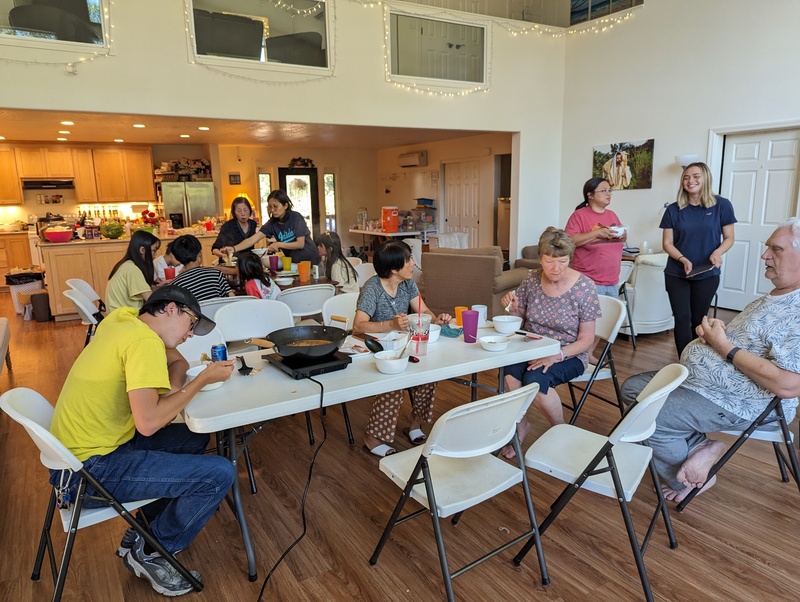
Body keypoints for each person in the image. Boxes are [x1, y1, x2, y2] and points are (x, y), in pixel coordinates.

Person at [48, 285, 236, 596]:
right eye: (192, 325)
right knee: (218, 474)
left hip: (77, 457)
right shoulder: (143, 342)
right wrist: (201, 381)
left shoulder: (121, 319)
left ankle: (143, 534)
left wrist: (172, 392)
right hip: (87, 473)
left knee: (192, 438)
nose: (191, 335)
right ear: (172, 309)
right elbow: (148, 423)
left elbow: (179, 364)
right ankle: (151, 552)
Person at [621, 219, 800, 503]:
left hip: (743, 402)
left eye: (775, 249)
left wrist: (724, 346)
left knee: (648, 413)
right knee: (633, 387)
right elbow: (755, 341)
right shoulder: (779, 295)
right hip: (713, 386)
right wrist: (722, 333)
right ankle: (702, 447)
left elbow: (789, 385)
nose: (764, 255)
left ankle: (687, 482)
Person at [500, 227, 601, 458]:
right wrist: (513, 307)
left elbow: (586, 339)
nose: (556, 269)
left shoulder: (584, 287)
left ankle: (560, 430)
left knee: (536, 380)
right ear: (540, 259)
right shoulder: (531, 279)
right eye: (549, 261)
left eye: (562, 262)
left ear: (570, 259)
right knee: (508, 374)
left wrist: (557, 356)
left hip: (569, 353)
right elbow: (520, 320)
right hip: (531, 347)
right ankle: (521, 425)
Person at [353, 240, 451, 457]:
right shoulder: (373, 288)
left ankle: (414, 425)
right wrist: (390, 324)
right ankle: (372, 437)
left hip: (404, 346)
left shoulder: (408, 284)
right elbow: (358, 326)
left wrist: (438, 321)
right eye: (408, 260)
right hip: (378, 349)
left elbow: (423, 312)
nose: (413, 264)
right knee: (395, 384)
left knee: (428, 376)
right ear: (394, 269)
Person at [660, 161, 736, 356]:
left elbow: (729, 238)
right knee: (681, 318)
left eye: (695, 176)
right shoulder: (673, 210)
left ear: (705, 178)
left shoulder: (722, 205)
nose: (690, 181)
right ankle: (684, 363)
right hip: (677, 273)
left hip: (707, 273)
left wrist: (717, 253)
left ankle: (697, 361)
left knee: (698, 319)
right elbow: (667, 243)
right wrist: (683, 259)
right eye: (686, 177)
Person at [564, 177, 627, 297]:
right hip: (588, 282)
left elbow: (621, 241)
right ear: (590, 195)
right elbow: (569, 241)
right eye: (604, 191)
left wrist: (623, 235)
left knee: (611, 316)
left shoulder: (612, 215)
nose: (608, 194)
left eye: (609, 190)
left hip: (612, 282)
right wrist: (597, 233)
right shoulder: (579, 215)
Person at [222, 190, 320, 265]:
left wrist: (278, 244)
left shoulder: (296, 217)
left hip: (312, 260)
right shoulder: (272, 223)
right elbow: (252, 240)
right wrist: (233, 249)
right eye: (270, 207)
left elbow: (300, 244)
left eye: (275, 206)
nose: (272, 210)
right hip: (294, 264)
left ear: (285, 205)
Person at [106, 230, 160, 312]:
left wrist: (158, 288)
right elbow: (150, 298)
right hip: (123, 318)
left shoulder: (126, 264)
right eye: (154, 251)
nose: (155, 256)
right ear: (142, 250)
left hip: (116, 315)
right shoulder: (132, 269)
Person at [170, 235, 234, 301]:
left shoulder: (175, 284)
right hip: (217, 310)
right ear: (200, 254)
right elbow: (231, 298)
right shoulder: (216, 274)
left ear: (178, 258)